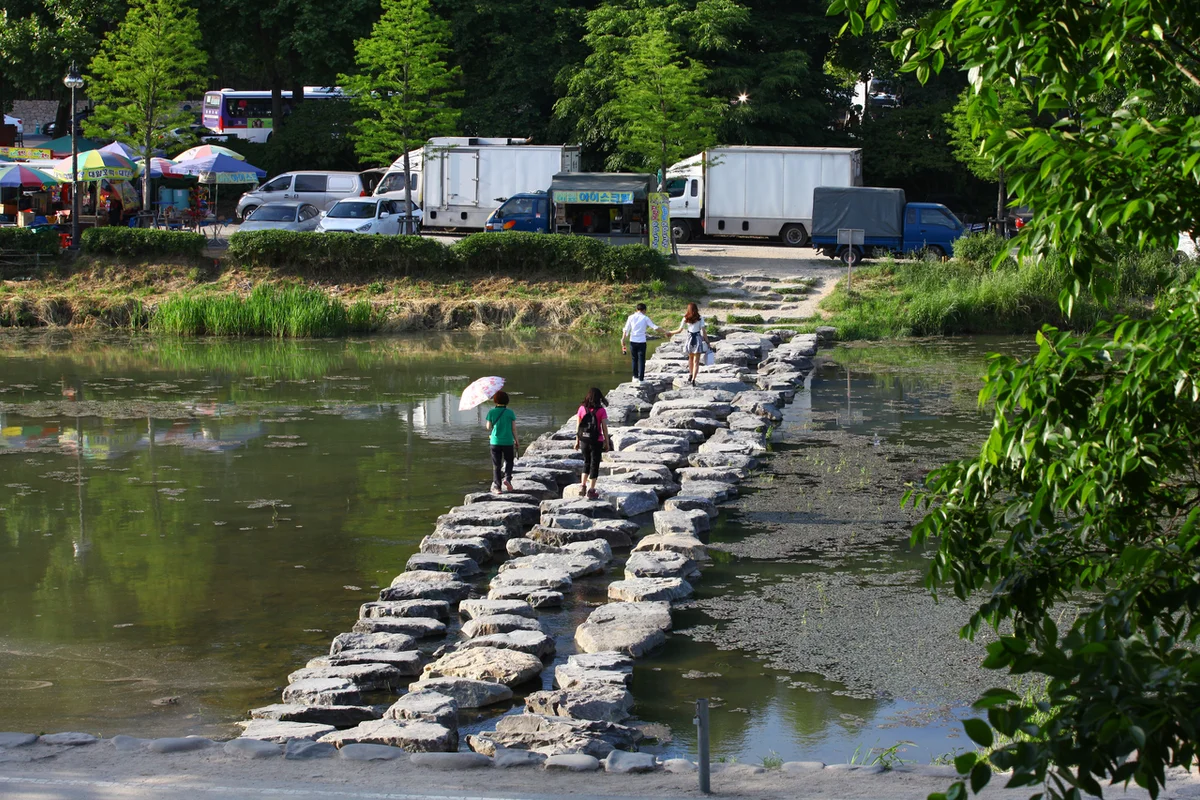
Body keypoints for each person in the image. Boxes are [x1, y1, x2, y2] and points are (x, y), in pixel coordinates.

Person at [574, 387, 610, 499]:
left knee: (586, 462)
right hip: (596, 441)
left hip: (584, 440)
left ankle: (582, 486)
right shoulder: (601, 411)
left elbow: (578, 427)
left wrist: (577, 441)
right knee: (595, 465)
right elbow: (604, 428)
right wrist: (607, 442)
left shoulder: (581, 409)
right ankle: (591, 490)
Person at [484, 390, 519, 493]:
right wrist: (517, 440)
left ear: (495, 401)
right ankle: (507, 479)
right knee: (509, 461)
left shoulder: (491, 412)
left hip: (495, 442)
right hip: (508, 441)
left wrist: (490, 421)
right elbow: (513, 429)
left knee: (496, 464)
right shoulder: (510, 412)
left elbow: (488, 427)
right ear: (507, 401)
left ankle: (498, 488)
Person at [669, 302, 709, 384]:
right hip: (697, 339)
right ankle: (694, 379)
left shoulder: (685, 318)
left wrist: (670, 332)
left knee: (690, 358)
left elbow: (679, 330)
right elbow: (703, 331)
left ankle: (690, 375)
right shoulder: (700, 318)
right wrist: (707, 341)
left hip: (689, 339)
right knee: (696, 361)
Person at [621, 302, 660, 382]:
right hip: (641, 342)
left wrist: (623, 339)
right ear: (644, 310)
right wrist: (665, 331)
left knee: (634, 359)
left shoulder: (630, 317)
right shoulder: (645, 318)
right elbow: (654, 327)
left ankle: (635, 377)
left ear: (637, 309)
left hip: (633, 341)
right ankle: (641, 379)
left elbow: (626, 329)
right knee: (641, 360)